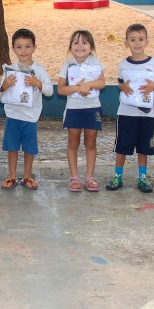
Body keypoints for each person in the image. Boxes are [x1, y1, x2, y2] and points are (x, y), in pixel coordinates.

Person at [108, 23, 154, 193]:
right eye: (132, 40)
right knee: (122, 146)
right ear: (126, 43)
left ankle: (142, 177)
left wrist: (153, 86)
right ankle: (118, 176)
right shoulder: (123, 64)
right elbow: (120, 83)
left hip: (146, 114)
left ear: (147, 42)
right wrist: (122, 87)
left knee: (143, 147)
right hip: (126, 113)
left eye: (140, 39)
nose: (137, 43)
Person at [0, 28, 53, 190]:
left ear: (34, 48)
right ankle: (12, 175)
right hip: (13, 115)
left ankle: (27, 176)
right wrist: (5, 85)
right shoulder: (9, 70)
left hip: (30, 117)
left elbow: (49, 91)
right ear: (13, 49)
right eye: (19, 47)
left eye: (28, 46)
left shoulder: (39, 70)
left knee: (29, 148)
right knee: (12, 147)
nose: (24, 50)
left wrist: (38, 83)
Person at [58, 29, 105, 192]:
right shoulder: (67, 65)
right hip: (74, 109)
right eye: (76, 42)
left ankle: (90, 177)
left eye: (84, 42)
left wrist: (89, 84)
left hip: (92, 108)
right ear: (70, 47)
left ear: (91, 47)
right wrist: (77, 88)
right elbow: (61, 90)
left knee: (90, 142)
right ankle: (74, 177)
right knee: (73, 142)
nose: (80, 45)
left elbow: (102, 83)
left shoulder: (96, 63)